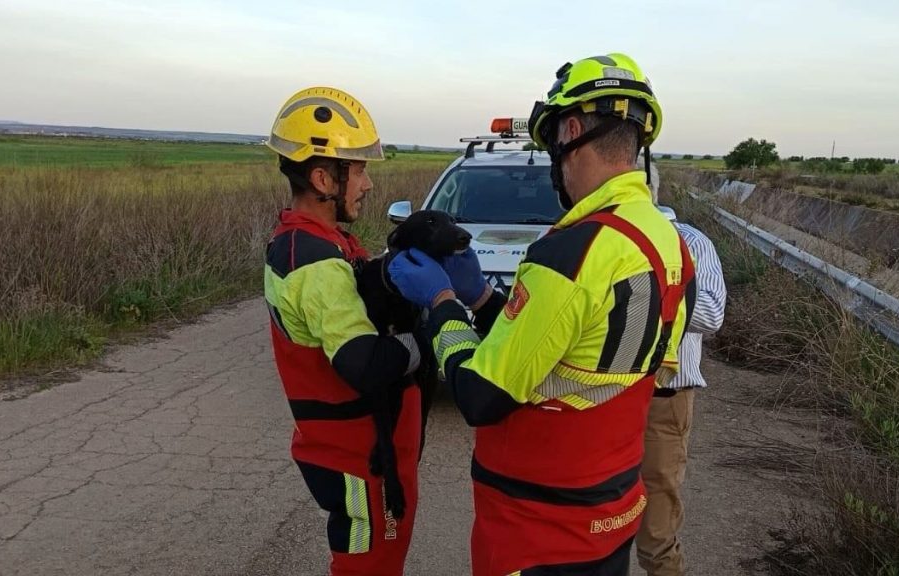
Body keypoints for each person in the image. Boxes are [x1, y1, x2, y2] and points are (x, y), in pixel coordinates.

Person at [390, 53, 697, 575]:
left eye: (552, 142)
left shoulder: (572, 253)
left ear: (570, 130)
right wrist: (484, 301)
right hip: (610, 512)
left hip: (536, 527)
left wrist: (442, 302)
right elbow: (566, 352)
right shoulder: (669, 244)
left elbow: (479, 396)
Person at [262, 87, 424, 576]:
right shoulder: (315, 262)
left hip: (362, 450)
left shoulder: (317, 242)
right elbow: (364, 365)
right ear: (322, 178)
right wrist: (426, 339)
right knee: (369, 567)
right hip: (359, 459)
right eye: (359, 170)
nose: (368, 184)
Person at [636, 203, 726, 576]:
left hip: (664, 399)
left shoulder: (690, 241)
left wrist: (645, 294)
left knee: (656, 532)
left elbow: (711, 314)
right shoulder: (601, 236)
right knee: (596, 522)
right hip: (603, 398)